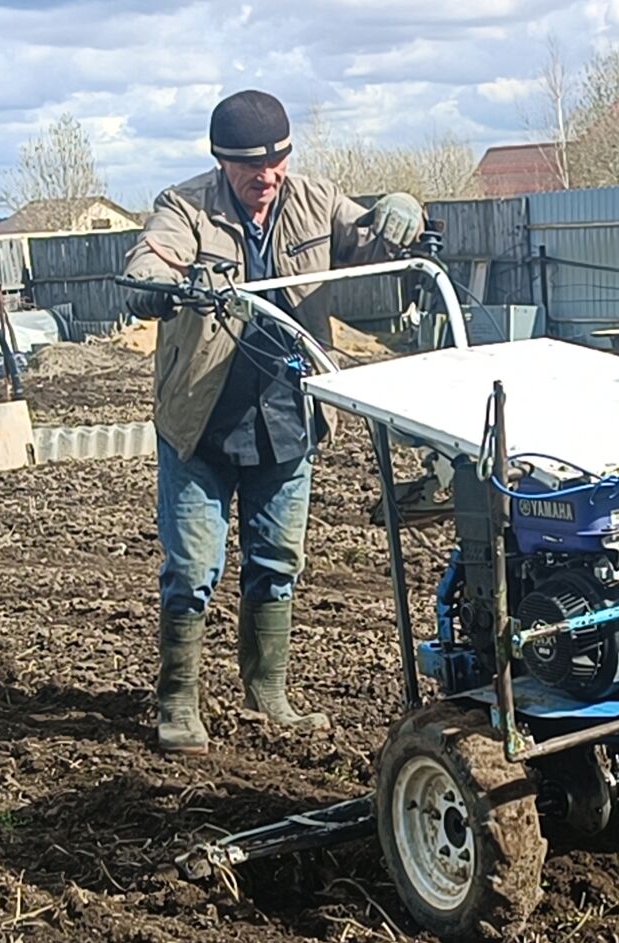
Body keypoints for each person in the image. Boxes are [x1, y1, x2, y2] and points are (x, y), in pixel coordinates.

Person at [123, 89, 424, 755]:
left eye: (277, 163)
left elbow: (371, 235)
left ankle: (267, 691)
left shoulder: (316, 199)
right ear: (221, 164)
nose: (267, 178)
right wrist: (165, 280)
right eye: (251, 168)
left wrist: (402, 209)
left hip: (288, 417)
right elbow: (152, 258)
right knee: (193, 567)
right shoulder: (186, 207)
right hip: (202, 422)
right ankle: (177, 701)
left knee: (277, 562)